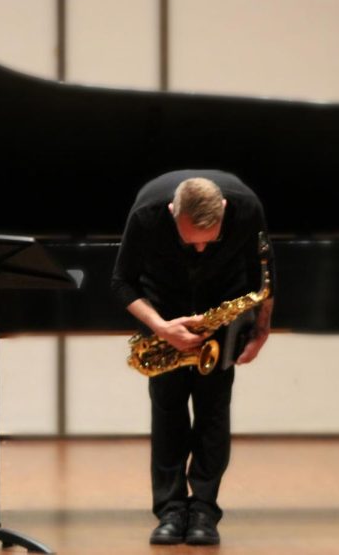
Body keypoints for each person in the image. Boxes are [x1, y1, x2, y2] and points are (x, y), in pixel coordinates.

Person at [110, 170, 274, 546]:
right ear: (171, 212)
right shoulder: (147, 215)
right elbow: (121, 282)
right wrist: (162, 328)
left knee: (214, 410)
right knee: (167, 410)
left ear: (225, 210)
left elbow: (265, 276)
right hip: (165, 308)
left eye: (209, 240)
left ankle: (203, 508)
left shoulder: (247, 209)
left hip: (224, 305)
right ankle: (169, 509)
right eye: (191, 240)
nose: (200, 249)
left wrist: (261, 328)